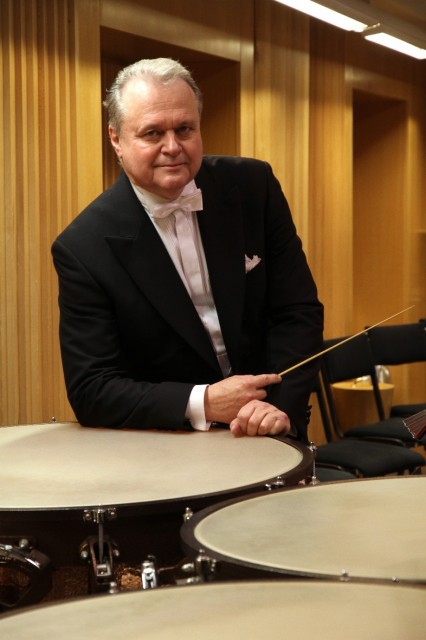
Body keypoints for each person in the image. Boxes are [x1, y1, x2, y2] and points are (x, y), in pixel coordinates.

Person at [52, 58, 323, 440]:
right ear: (116, 138)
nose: (172, 147)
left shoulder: (254, 186)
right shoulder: (83, 246)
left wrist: (278, 405)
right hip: (169, 446)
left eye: (184, 129)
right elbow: (92, 388)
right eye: (152, 133)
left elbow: (297, 311)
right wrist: (204, 402)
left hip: (272, 422)